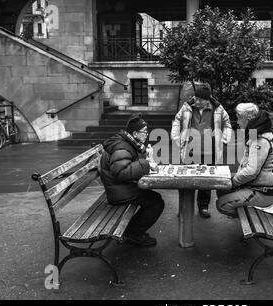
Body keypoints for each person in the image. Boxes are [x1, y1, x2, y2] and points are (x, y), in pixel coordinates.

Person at [99, 113, 164, 247]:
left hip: (119, 187)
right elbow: (121, 172)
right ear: (134, 133)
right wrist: (146, 165)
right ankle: (134, 234)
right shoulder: (122, 147)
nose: (147, 135)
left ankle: (132, 230)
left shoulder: (127, 143)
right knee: (156, 202)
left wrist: (145, 160)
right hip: (118, 192)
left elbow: (128, 165)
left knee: (152, 197)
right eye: (144, 132)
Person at [171, 83, 232, 218]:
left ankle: (203, 207)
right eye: (196, 98)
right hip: (190, 148)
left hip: (209, 150)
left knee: (206, 180)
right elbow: (177, 119)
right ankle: (183, 208)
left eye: (200, 100)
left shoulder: (218, 109)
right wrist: (175, 137)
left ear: (207, 99)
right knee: (185, 180)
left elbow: (227, 123)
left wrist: (225, 139)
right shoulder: (187, 107)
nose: (197, 101)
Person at [216, 103, 273, 218]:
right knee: (221, 190)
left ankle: (250, 218)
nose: (238, 122)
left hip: (262, 193)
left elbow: (251, 171)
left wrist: (233, 182)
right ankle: (245, 211)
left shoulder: (260, 139)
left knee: (221, 204)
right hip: (256, 187)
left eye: (239, 118)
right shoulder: (257, 134)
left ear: (248, 119)